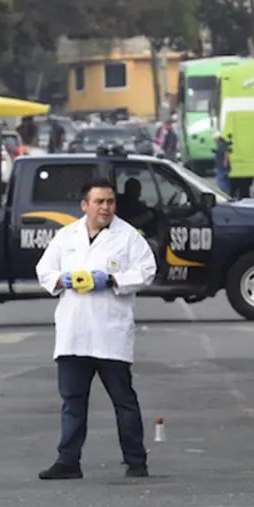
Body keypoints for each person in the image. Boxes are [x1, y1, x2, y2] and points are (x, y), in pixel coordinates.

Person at [35, 177, 158, 481]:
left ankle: (136, 460)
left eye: (110, 202)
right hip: (73, 332)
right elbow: (44, 270)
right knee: (72, 402)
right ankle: (68, 461)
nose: (106, 207)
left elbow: (147, 271)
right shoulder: (66, 236)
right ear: (84, 205)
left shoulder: (128, 237)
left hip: (109, 332)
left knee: (123, 400)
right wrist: (61, 280)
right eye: (99, 202)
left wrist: (114, 280)